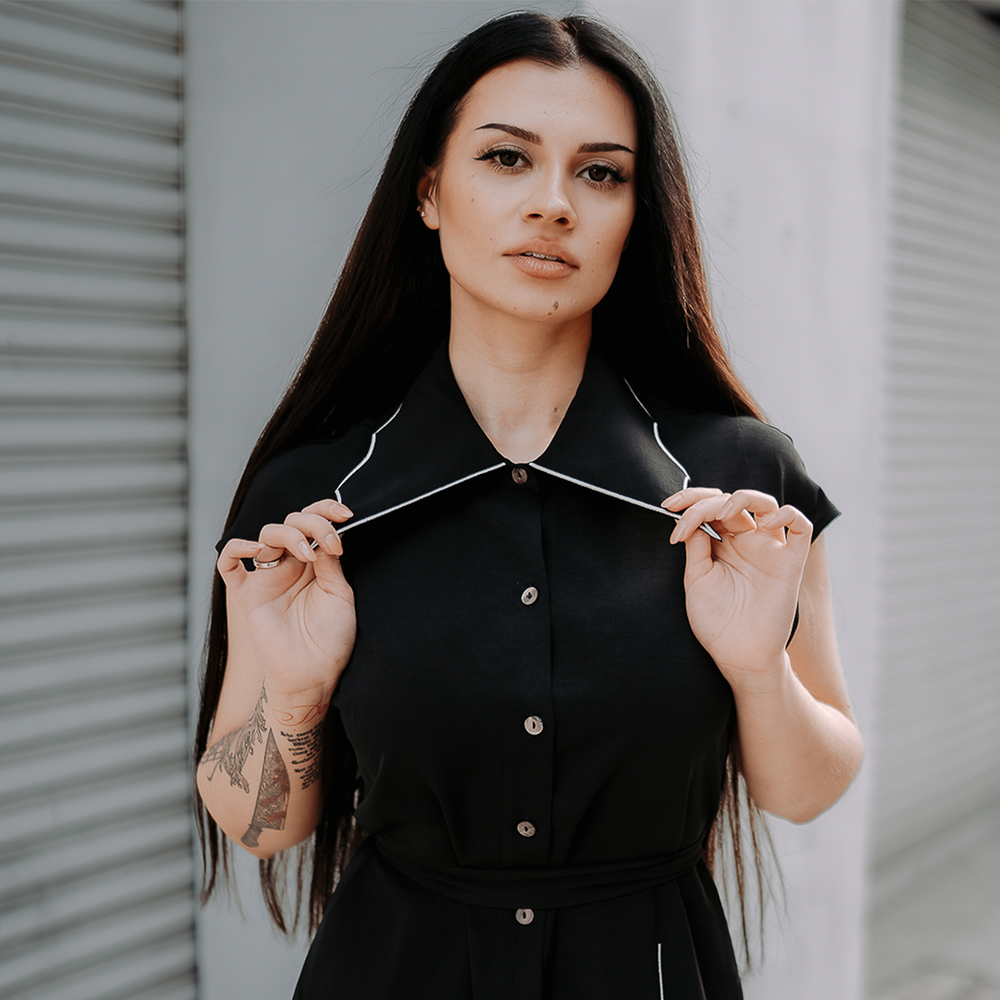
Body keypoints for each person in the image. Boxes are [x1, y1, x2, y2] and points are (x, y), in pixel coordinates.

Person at [194, 11, 863, 999]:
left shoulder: (742, 489)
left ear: (636, 214)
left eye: (600, 173)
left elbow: (806, 791)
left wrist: (756, 669)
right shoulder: (315, 500)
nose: (552, 204)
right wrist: (291, 695)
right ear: (428, 190)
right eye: (507, 158)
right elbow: (260, 824)